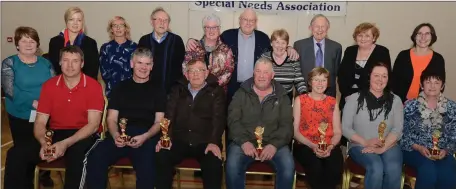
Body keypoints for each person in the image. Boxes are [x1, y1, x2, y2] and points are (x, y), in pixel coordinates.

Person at [85, 47, 164, 189]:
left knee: (148, 165)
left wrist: (145, 137)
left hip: (145, 137)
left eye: (147, 64)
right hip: (119, 136)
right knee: (96, 156)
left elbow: (159, 122)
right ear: (132, 64)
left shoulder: (158, 90)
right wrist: (115, 135)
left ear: (152, 66)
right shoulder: (120, 87)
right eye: (140, 63)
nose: (143, 67)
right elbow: (111, 119)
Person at [186, 8, 298, 103]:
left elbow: (275, 49)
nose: (248, 23)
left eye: (252, 20)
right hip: (231, 87)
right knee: (230, 119)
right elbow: (210, 41)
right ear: (239, 21)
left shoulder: (263, 38)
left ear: (256, 22)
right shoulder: (228, 35)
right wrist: (193, 41)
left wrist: (288, 48)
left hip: (254, 88)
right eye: (245, 19)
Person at [34, 45, 104, 189]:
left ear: (82, 63)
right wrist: (44, 142)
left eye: (75, 61)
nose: (70, 65)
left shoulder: (93, 86)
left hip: (84, 134)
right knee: (17, 154)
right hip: (55, 132)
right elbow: (40, 122)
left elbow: (93, 125)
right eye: (65, 60)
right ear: (59, 63)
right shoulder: (48, 86)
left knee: (77, 157)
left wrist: (65, 144)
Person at [225, 57, 294, 189]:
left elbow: (287, 125)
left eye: (266, 72)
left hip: (275, 143)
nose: (261, 76)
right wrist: (244, 142)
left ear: (272, 75)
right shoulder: (241, 93)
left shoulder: (282, 96)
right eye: (258, 71)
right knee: (232, 165)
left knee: (288, 167)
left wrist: (274, 145)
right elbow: (233, 120)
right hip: (244, 141)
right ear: (253, 73)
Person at [156, 59, 226, 189]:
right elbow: (169, 115)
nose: (195, 74)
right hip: (179, 140)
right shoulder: (177, 89)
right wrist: (166, 138)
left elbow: (219, 119)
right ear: (186, 75)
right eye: (192, 71)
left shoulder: (216, 91)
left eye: (200, 70)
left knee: (213, 164)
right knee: (162, 156)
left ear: (206, 73)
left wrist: (214, 141)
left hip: (205, 141)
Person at [2, 26, 55, 189]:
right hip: (20, 115)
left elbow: (54, 85)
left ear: (37, 44)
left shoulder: (45, 63)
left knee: (37, 151)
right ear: (17, 44)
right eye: (24, 40)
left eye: (32, 40)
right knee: (22, 154)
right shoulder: (9, 63)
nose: (28, 44)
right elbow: (9, 90)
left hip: (44, 116)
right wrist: (34, 103)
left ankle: (37, 179)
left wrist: (48, 105)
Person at [342, 62, 404, 189]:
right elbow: (345, 128)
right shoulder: (354, 99)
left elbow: (398, 129)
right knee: (376, 167)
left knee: (393, 168)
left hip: (389, 145)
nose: (380, 80)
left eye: (384, 76)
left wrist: (383, 147)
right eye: (376, 75)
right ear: (369, 77)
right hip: (360, 145)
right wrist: (365, 142)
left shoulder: (396, 100)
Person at [400, 69, 456, 189]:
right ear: (421, 85)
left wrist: (446, 150)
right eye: (428, 82)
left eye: (436, 82)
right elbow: (402, 134)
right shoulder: (410, 106)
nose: (432, 86)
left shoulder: (451, 107)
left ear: (442, 86)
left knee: (448, 173)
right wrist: (418, 147)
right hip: (414, 150)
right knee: (428, 170)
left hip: (442, 152)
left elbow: (453, 135)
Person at [292, 67, 343, 189]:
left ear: (328, 83)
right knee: (316, 166)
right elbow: (295, 132)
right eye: (316, 80)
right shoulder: (300, 100)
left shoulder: (333, 102)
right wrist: (313, 146)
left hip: (329, 145)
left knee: (335, 166)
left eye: (324, 80)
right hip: (305, 145)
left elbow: (337, 132)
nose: (320, 83)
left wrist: (330, 147)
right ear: (310, 82)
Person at [338, 22, 391, 110]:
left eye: (367, 36)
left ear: (374, 38)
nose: (363, 39)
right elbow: (341, 75)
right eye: (360, 35)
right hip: (348, 100)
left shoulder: (382, 52)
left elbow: (385, 77)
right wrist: (347, 96)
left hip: (372, 100)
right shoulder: (350, 51)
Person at [392, 23, 445, 103]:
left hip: (426, 106)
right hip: (401, 104)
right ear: (414, 36)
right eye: (419, 33)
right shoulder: (403, 56)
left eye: (427, 34)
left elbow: (440, 85)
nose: (423, 37)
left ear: (432, 37)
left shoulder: (438, 59)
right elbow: (393, 81)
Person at [138, 7, 185, 94]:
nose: (162, 23)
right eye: (159, 20)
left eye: (165, 20)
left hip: (171, 93)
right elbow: (138, 67)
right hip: (147, 91)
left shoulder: (177, 40)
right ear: (152, 22)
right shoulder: (144, 41)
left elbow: (182, 66)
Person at [293, 14, 342, 98]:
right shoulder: (299, 45)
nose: (320, 30)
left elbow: (336, 72)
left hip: (327, 95)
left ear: (327, 29)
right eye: (317, 26)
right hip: (304, 93)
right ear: (310, 28)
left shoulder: (336, 47)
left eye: (323, 26)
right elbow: (295, 71)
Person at [182, 14, 234, 91]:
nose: (211, 30)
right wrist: (197, 84)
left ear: (219, 29)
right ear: (204, 29)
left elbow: (228, 72)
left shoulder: (226, 50)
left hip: (217, 93)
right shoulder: (193, 47)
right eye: (208, 27)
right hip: (195, 91)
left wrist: (211, 86)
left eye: (214, 27)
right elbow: (185, 68)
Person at [48, 6, 100, 80]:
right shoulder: (55, 42)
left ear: (82, 23)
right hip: (60, 83)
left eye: (79, 20)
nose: (75, 23)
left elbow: (92, 70)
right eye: (71, 19)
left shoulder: (90, 43)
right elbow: (53, 68)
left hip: (84, 84)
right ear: (66, 21)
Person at [261, 29, 306, 100]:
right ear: (271, 43)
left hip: (286, 98)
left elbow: (299, 80)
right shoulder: (265, 57)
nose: (280, 46)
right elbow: (259, 78)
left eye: (283, 43)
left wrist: (304, 94)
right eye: (277, 42)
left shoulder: (293, 59)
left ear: (287, 45)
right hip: (267, 98)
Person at [99, 16, 137, 97]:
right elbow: (104, 72)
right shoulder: (105, 48)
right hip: (112, 91)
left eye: (121, 25)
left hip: (131, 91)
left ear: (126, 28)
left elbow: (137, 70)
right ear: (111, 29)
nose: (118, 28)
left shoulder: (134, 47)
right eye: (115, 25)